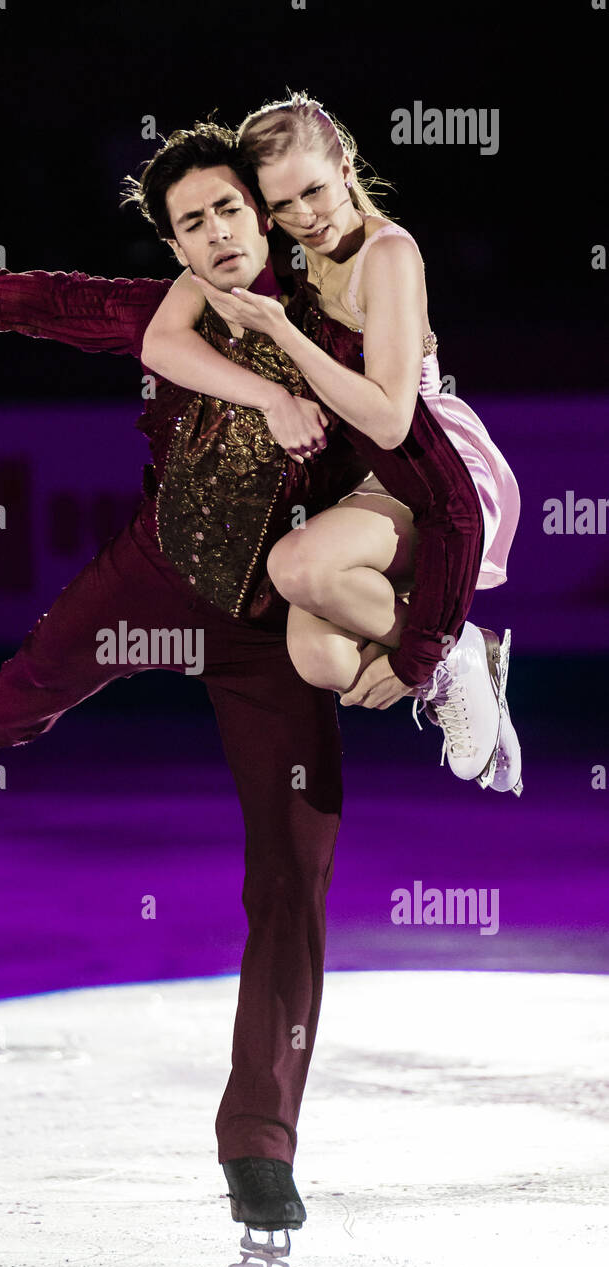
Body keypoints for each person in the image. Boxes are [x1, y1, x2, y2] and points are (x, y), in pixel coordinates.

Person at [0, 123, 487, 1253]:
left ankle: (258, 1142)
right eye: (189, 222)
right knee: (33, 684)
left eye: (230, 210)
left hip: (274, 633)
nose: (215, 234)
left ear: (263, 215)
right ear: (172, 241)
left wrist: (427, 646)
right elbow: (64, 302)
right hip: (157, 575)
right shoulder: (172, 312)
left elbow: (434, 480)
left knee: (290, 874)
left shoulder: (335, 325)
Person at [141, 93, 522, 794]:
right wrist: (267, 394)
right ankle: (467, 654)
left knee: (299, 567)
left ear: (344, 165)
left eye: (314, 191)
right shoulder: (273, 248)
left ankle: (449, 653)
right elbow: (159, 341)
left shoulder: (388, 253)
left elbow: (387, 419)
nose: (306, 218)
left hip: (431, 462)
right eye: (282, 206)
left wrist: (282, 333)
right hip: (368, 479)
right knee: (318, 657)